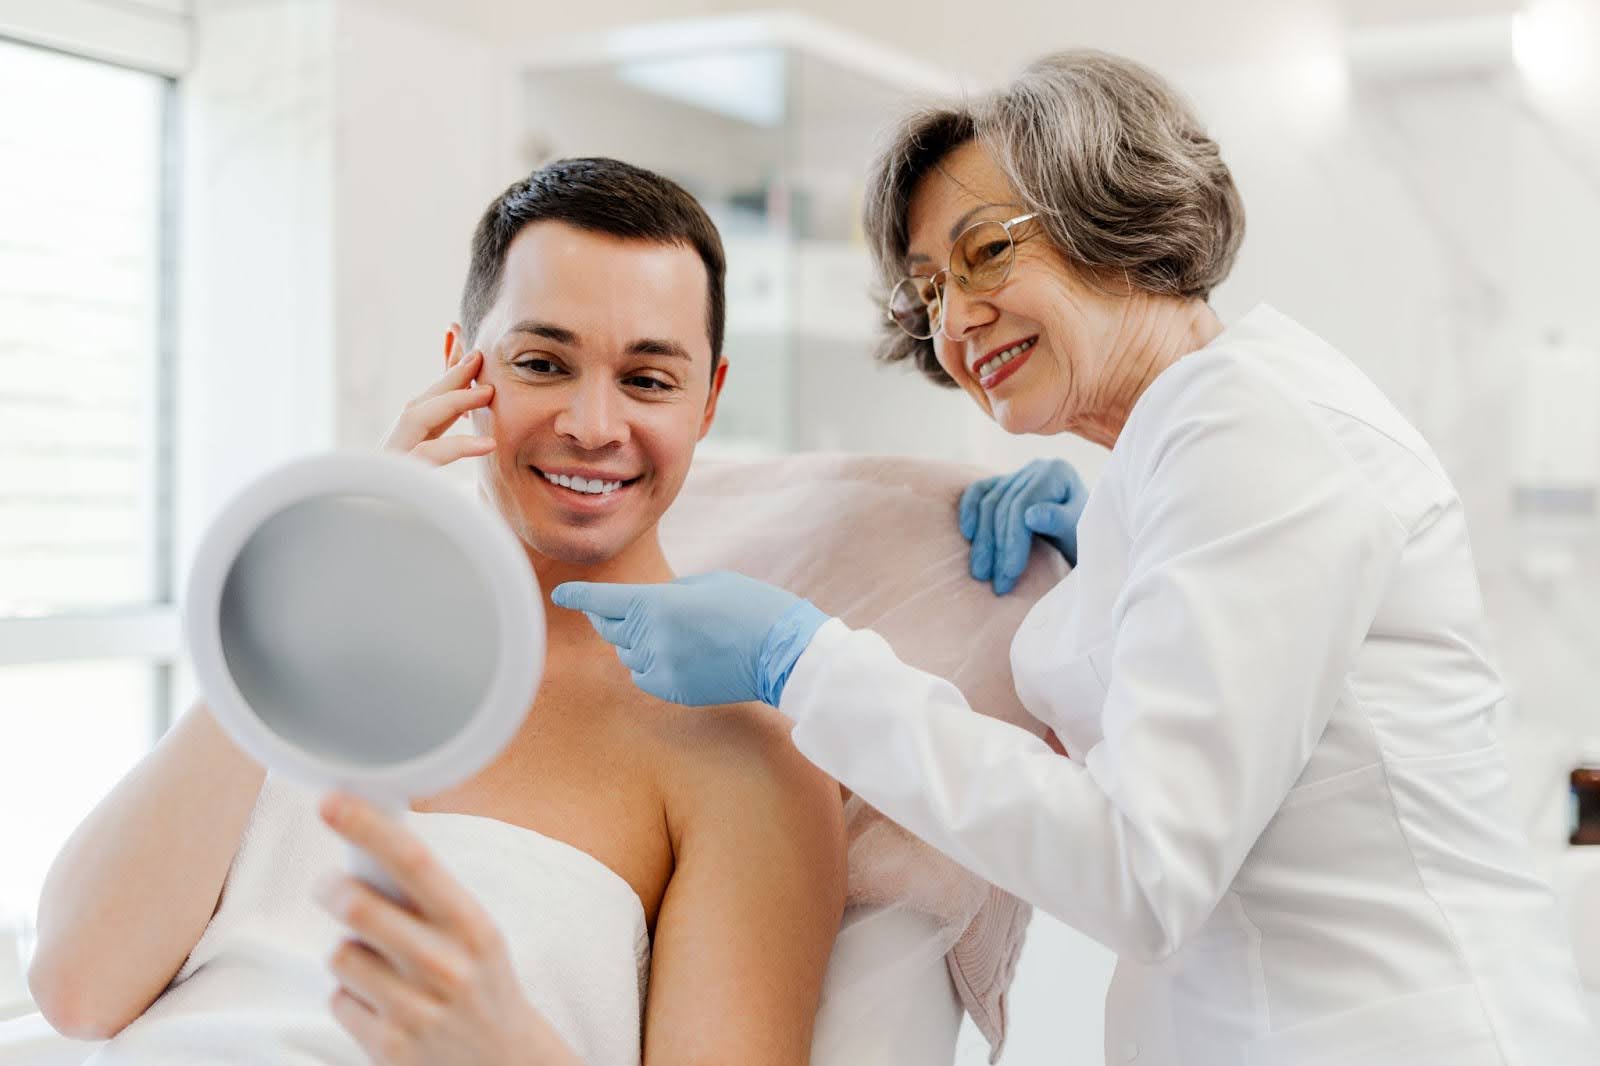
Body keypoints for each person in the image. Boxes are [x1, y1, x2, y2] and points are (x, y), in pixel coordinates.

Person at [554, 53, 1600, 1065]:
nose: (956, 322)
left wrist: (803, 659)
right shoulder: (1184, 450)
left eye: (986, 252)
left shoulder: (1252, 431)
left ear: (1115, 212)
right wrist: (1096, 559)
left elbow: (1144, 870)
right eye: (928, 289)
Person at [27, 157, 847, 1066]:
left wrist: (503, 1046)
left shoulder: (744, 757)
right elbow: (76, 985)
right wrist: (314, 593)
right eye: (543, 363)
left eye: (648, 380)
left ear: (709, 400)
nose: (592, 424)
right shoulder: (313, 644)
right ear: (461, 366)